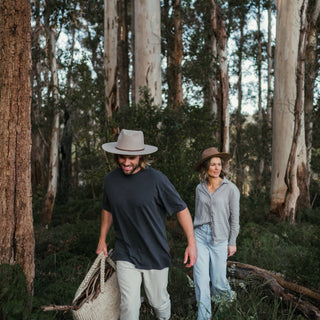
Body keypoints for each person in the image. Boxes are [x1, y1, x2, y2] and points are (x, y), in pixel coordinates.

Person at [96, 129, 197, 320]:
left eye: (132, 157)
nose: (126, 162)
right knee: (128, 305)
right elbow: (107, 209)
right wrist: (102, 239)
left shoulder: (157, 180)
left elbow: (181, 209)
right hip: (125, 251)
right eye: (122, 157)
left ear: (141, 156)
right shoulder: (111, 180)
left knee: (158, 302)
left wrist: (191, 243)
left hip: (155, 253)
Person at [193, 147, 240, 320]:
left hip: (220, 238)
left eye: (219, 164)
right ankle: (203, 317)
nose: (216, 168)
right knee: (200, 280)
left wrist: (232, 241)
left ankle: (228, 303)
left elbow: (235, 218)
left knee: (219, 281)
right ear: (206, 167)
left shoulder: (231, 189)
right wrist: (192, 239)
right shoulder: (200, 189)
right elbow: (197, 215)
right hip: (200, 236)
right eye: (213, 164)